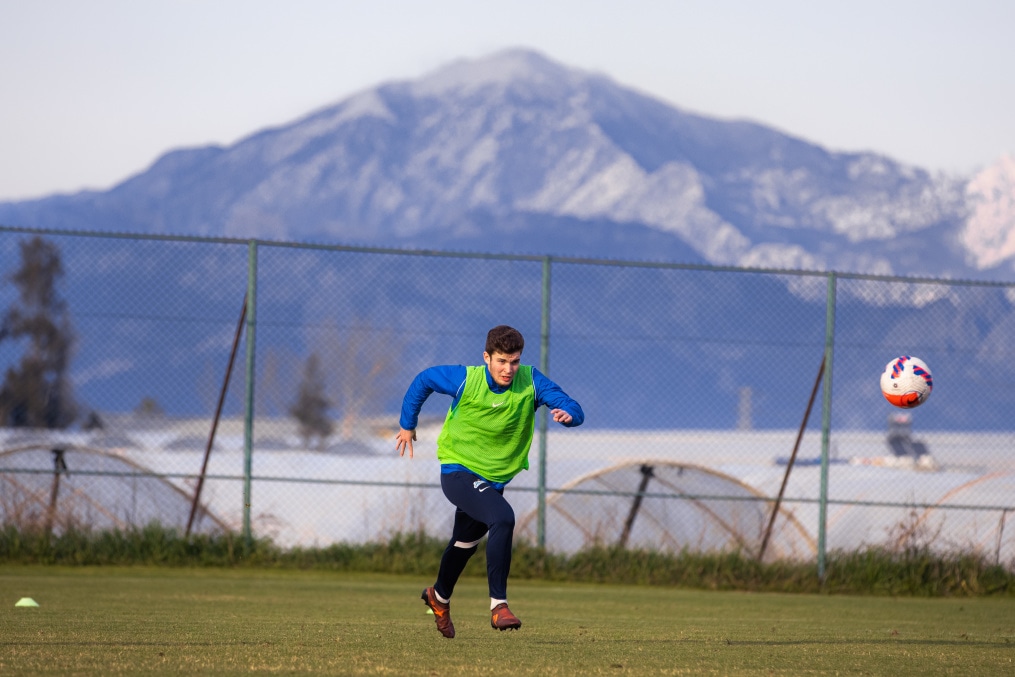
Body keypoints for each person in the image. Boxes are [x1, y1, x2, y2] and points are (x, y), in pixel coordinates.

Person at [395, 325, 584, 638]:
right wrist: (407, 424)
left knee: (464, 544)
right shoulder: (466, 379)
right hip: (458, 470)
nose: (508, 369)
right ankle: (499, 606)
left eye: (514, 361)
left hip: (492, 480)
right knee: (503, 518)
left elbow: (574, 407)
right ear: (487, 358)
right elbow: (424, 380)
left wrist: (568, 415)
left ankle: (438, 597)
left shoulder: (531, 381)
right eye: (501, 361)